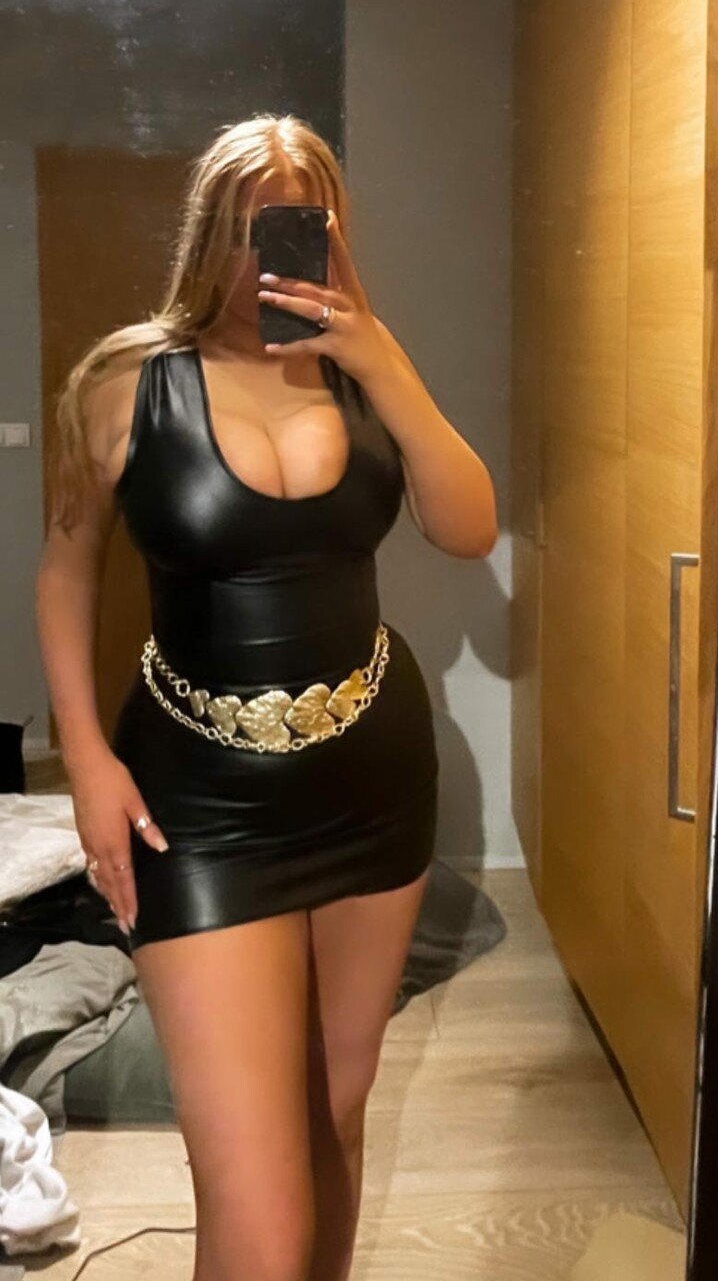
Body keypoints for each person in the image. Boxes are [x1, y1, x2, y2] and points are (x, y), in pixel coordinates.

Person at [35, 111, 498, 1281]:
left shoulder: (365, 371)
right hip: (196, 799)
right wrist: (86, 759)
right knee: (254, 1191)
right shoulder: (127, 382)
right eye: (246, 230)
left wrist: (383, 358)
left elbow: (468, 527)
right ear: (208, 236)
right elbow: (67, 570)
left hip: (371, 775)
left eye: (296, 228)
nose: (265, 260)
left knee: (335, 1116)